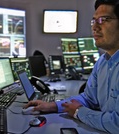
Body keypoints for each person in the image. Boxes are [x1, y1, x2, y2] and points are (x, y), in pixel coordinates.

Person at [24, 0, 119, 133]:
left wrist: (79, 112)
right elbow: (88, 98)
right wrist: (53, 106)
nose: (95, 27)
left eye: (103, 20)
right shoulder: (102, 62)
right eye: (94, 21)